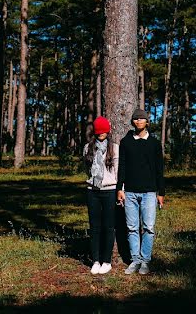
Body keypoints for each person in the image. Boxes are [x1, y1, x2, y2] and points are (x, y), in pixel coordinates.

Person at [116, 108, 165, 275]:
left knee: (149, 228)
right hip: (129, 192)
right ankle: (135, 260)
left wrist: (161, 193)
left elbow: (160, 169)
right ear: (133, 122)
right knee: (132, 228)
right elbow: (121, 166)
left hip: (150, 193)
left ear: (147, 122)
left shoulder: (154, 143)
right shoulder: (126, 142)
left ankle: (145, 261)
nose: (138, 121)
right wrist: (119, 189)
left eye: (141, 119)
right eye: (136, 119)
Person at [83, 116, 118, 274]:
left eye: (104, 130)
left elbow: (118, 172)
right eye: (99, 131)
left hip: (110, 190)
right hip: (93, 191)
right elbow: (87, 170)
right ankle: (95, 260)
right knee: (95, 227)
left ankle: (107, 261)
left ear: (108, 131)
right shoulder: (87, 148)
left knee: (108, 227)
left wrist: (119, 190)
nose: (102, 133)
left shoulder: (115, 148)